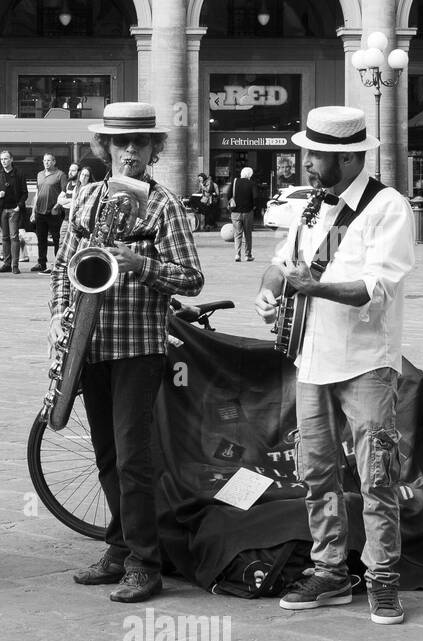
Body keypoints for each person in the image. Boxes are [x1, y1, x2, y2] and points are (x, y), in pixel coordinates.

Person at [254, 106, 416, 625]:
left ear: (345, 157)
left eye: (315, 154)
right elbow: (282, 264)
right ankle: (329, 571)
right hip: (312, 356)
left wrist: (314, 286)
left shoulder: (389, 207)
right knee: (316, 470)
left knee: (376, 473)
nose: (305, 162)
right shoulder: (311, 207)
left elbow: (377, 287)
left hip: (367, 361)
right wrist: (267, 291)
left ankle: (383, 577)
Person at [54, 102, 204, 602]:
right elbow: (62, 265)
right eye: (122, 143)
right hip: (89, 344)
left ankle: (145, 562)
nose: (131, 152)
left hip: (139, 347)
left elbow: (193, 278)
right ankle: (119, 547)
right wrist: (59, 315)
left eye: (140, 143)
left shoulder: (165, 206)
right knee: (107, 455)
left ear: (154, 150)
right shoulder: (86, 198)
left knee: (135, 458)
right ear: (106, 149)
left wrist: (142, 263)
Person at [0, 150, 27, 273]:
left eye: (6, 159)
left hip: (14, 210)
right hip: (2, 210)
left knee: (14, 237)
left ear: (11, 159)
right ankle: (7, 264)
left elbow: (24, 193)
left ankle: (15, 266)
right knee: (5, 238)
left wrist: (19, 206)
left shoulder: (19, 173)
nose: (3, 161)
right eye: (2, 159)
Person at [31, 153, 65, 272]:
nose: (46, 163)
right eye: (45, 160)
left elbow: (64, 193)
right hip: (40, 212)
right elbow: (37, 193)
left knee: (57, 239)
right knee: (41, 240)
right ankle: (41, 263)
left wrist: (57, 206)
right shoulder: (39, 174)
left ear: (54, 162)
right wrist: (32, 211)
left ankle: (57, 263)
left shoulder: (60, 174)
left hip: (54, 213)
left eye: (49, 160)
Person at [223, 165, 258, 261]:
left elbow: (228, 195)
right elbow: (255, 197)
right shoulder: (251, 183)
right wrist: (253, 206)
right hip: (247, 212)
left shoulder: (235, 182)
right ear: (250, 174)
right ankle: (248, 255)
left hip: (235, 212)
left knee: (237, 234)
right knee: (248, 234)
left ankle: (237, 255)